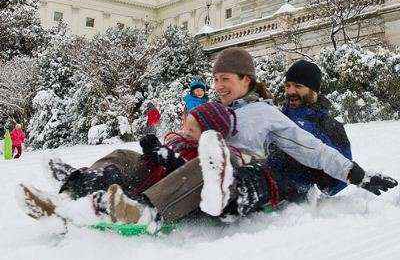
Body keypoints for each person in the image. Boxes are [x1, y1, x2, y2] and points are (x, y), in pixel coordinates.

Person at [20, 48, 397, 229]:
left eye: (226, 80)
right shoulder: (212, 111)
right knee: (127, 154)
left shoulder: (268, 114)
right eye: (215, 80)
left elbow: (312, 149)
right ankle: (74, 191)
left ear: (246, 81)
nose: (218, 86)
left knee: (206, 159)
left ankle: (145, 211)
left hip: (229, 171)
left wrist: (358, 176)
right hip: (192, 164)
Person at [20, 101, 244, 225]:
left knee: (195, 169)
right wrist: (152, 153)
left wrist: (169, 160)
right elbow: (154, 166)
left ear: (208, 134)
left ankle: (138, 211)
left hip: (160, 199)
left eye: (192, 129)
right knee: (123, 154)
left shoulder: (212, 157)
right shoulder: (179, 142)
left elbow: (192, 180)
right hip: (142, 184)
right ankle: (76, 187)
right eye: (186, 125)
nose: (184, 131)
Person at [267, 59, 352, 197]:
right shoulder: (277, 117)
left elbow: (337, 183)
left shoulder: (331, 127)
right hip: (260, 178)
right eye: (287, 86)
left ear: (313, 89)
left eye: (298, 86)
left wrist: (311, 169)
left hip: (289, 194)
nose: (291, 91)